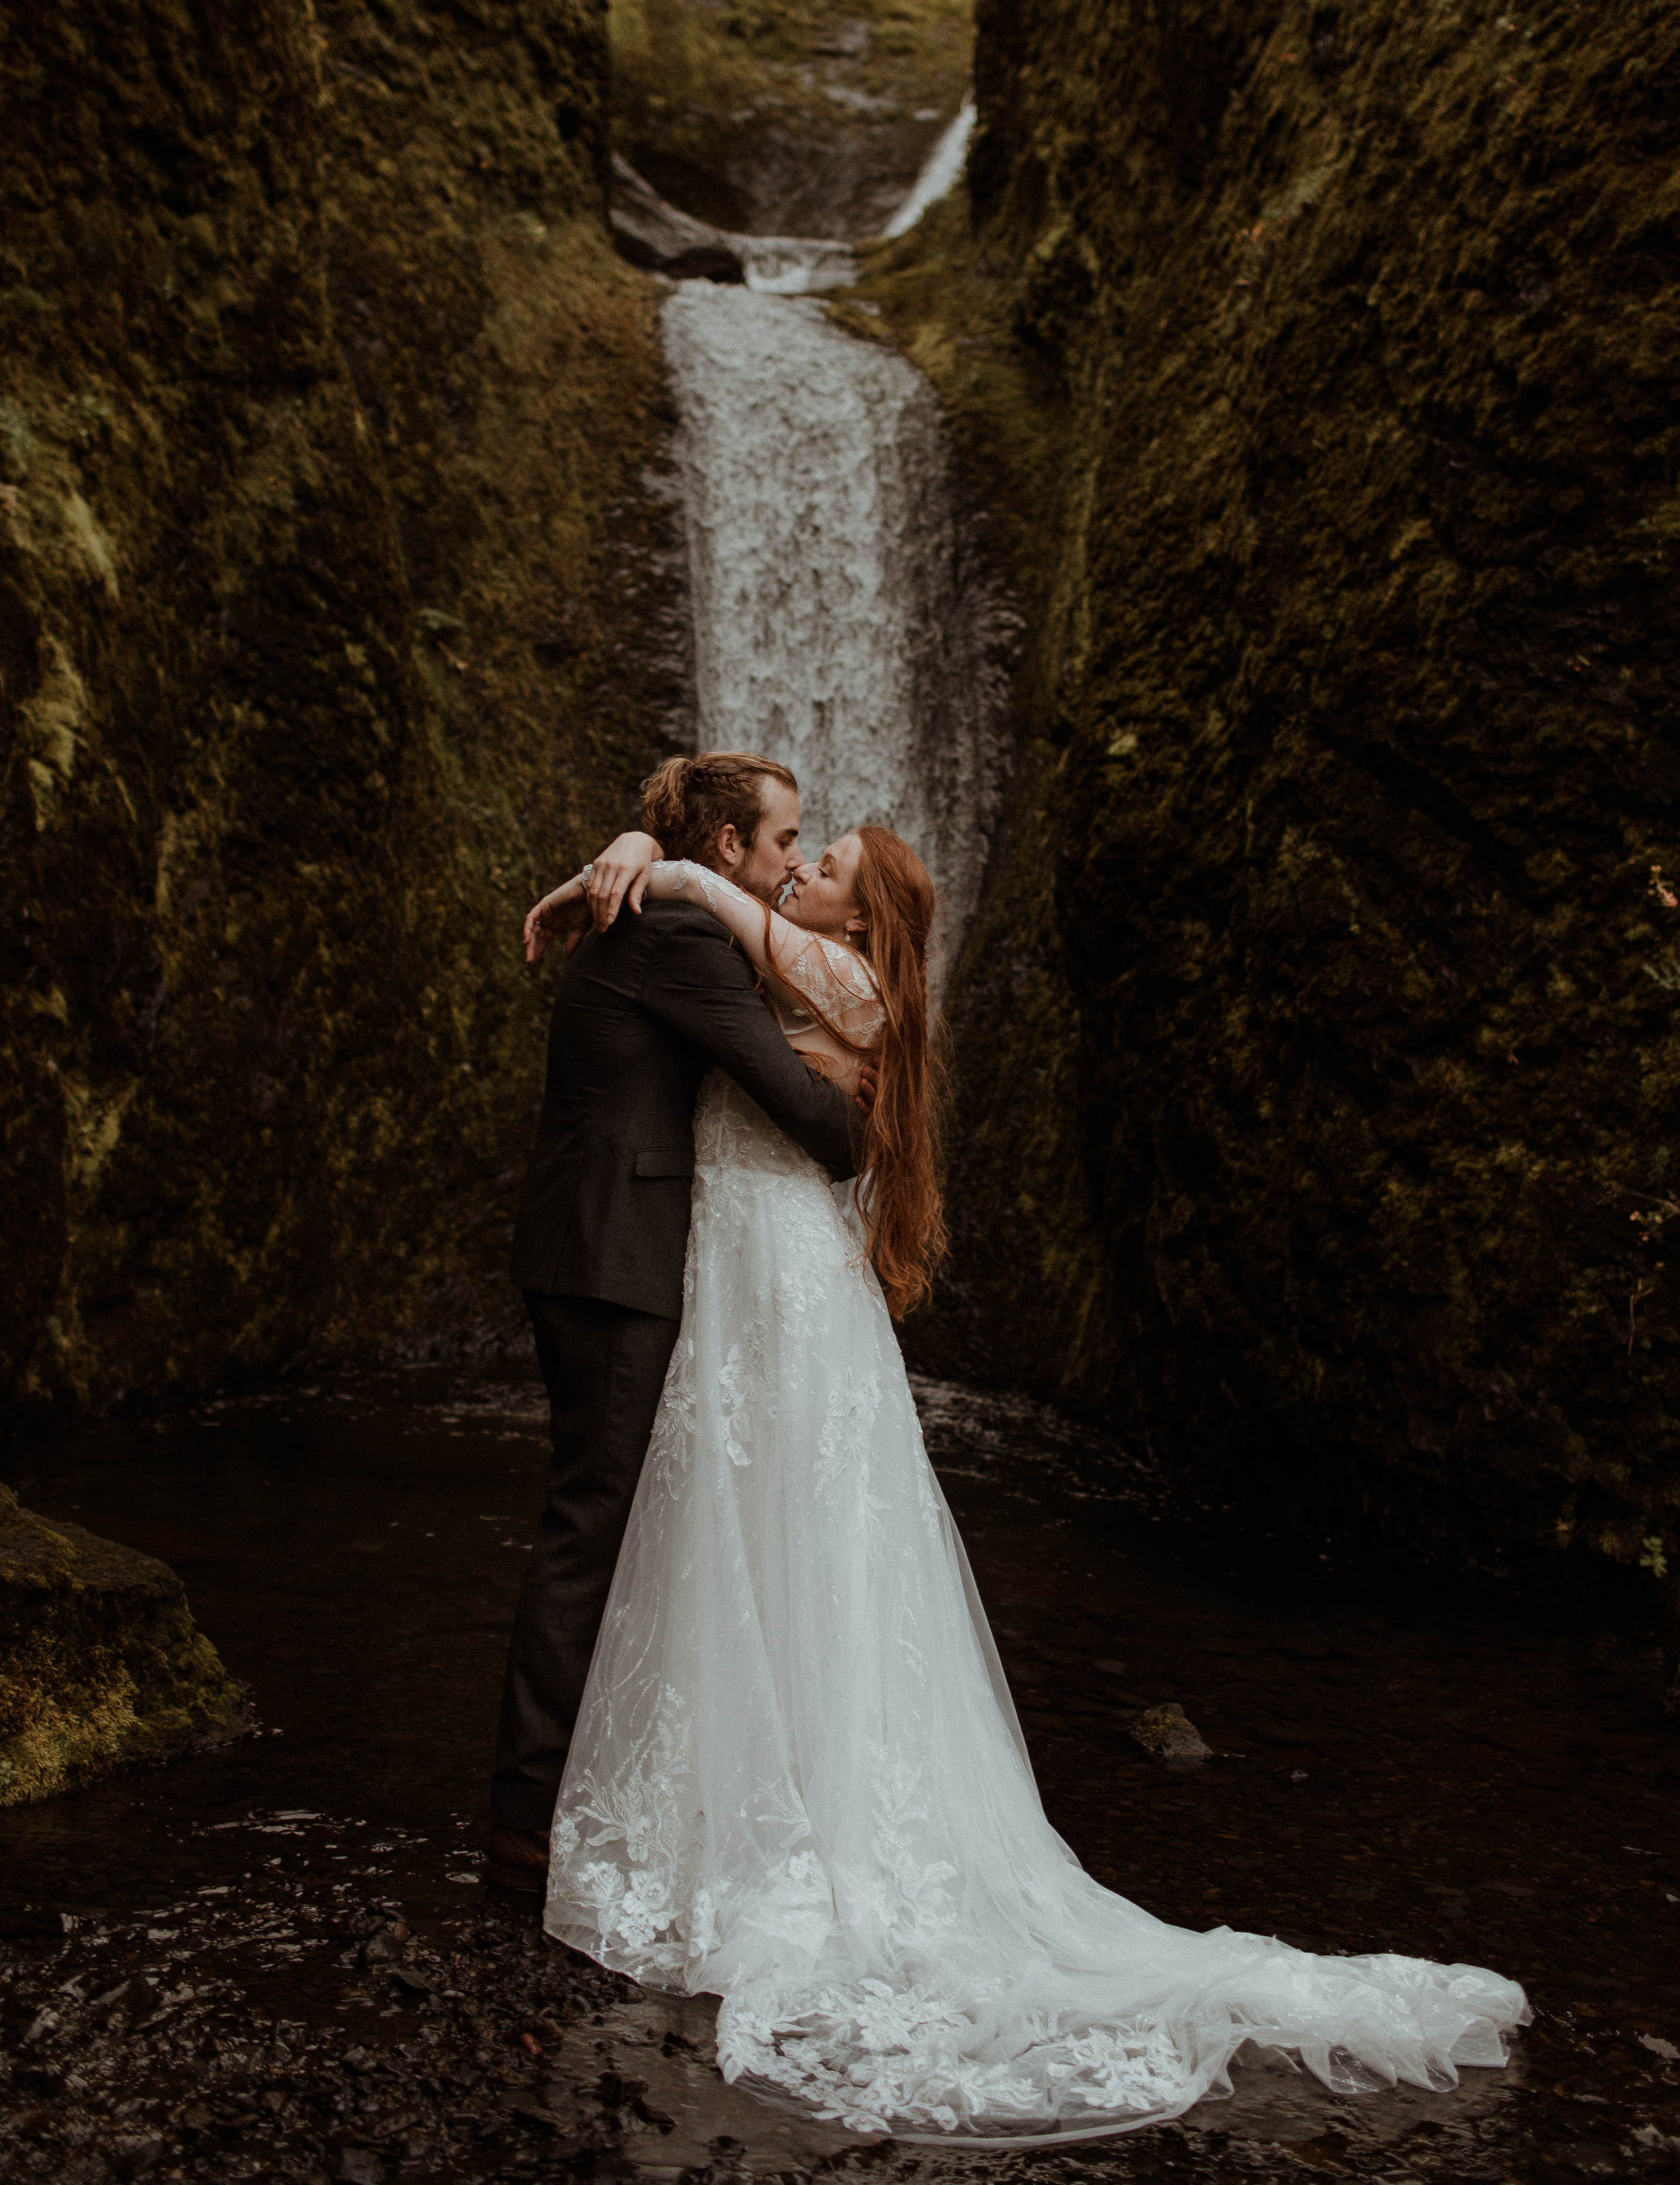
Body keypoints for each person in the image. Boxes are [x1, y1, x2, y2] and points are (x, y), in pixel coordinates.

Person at [516, 821, 1530, 2138]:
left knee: (800, 1545)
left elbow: (767, 959)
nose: (796, 871)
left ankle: (799, 1831)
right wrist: (638, 844)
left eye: (819, 866)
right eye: (792, 854)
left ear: (867, 915)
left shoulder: (858, 985)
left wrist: (694, 870)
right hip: (739, 1285)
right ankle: (727, 1802)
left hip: (786, 1299)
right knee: (742, 1541)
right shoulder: (766, 974)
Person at [487, 753, 862, 1906]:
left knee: (601, 1523)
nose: (798, 858)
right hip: (611, 1262)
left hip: (600, 1251)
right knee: (589, 1527)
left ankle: (570, 1798)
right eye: (787, 839)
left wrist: (644, 849)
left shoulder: (661, 901)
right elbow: (805, 1113)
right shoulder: (684, 937)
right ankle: (523, 1830)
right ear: (730, 850)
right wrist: (864, 1123)